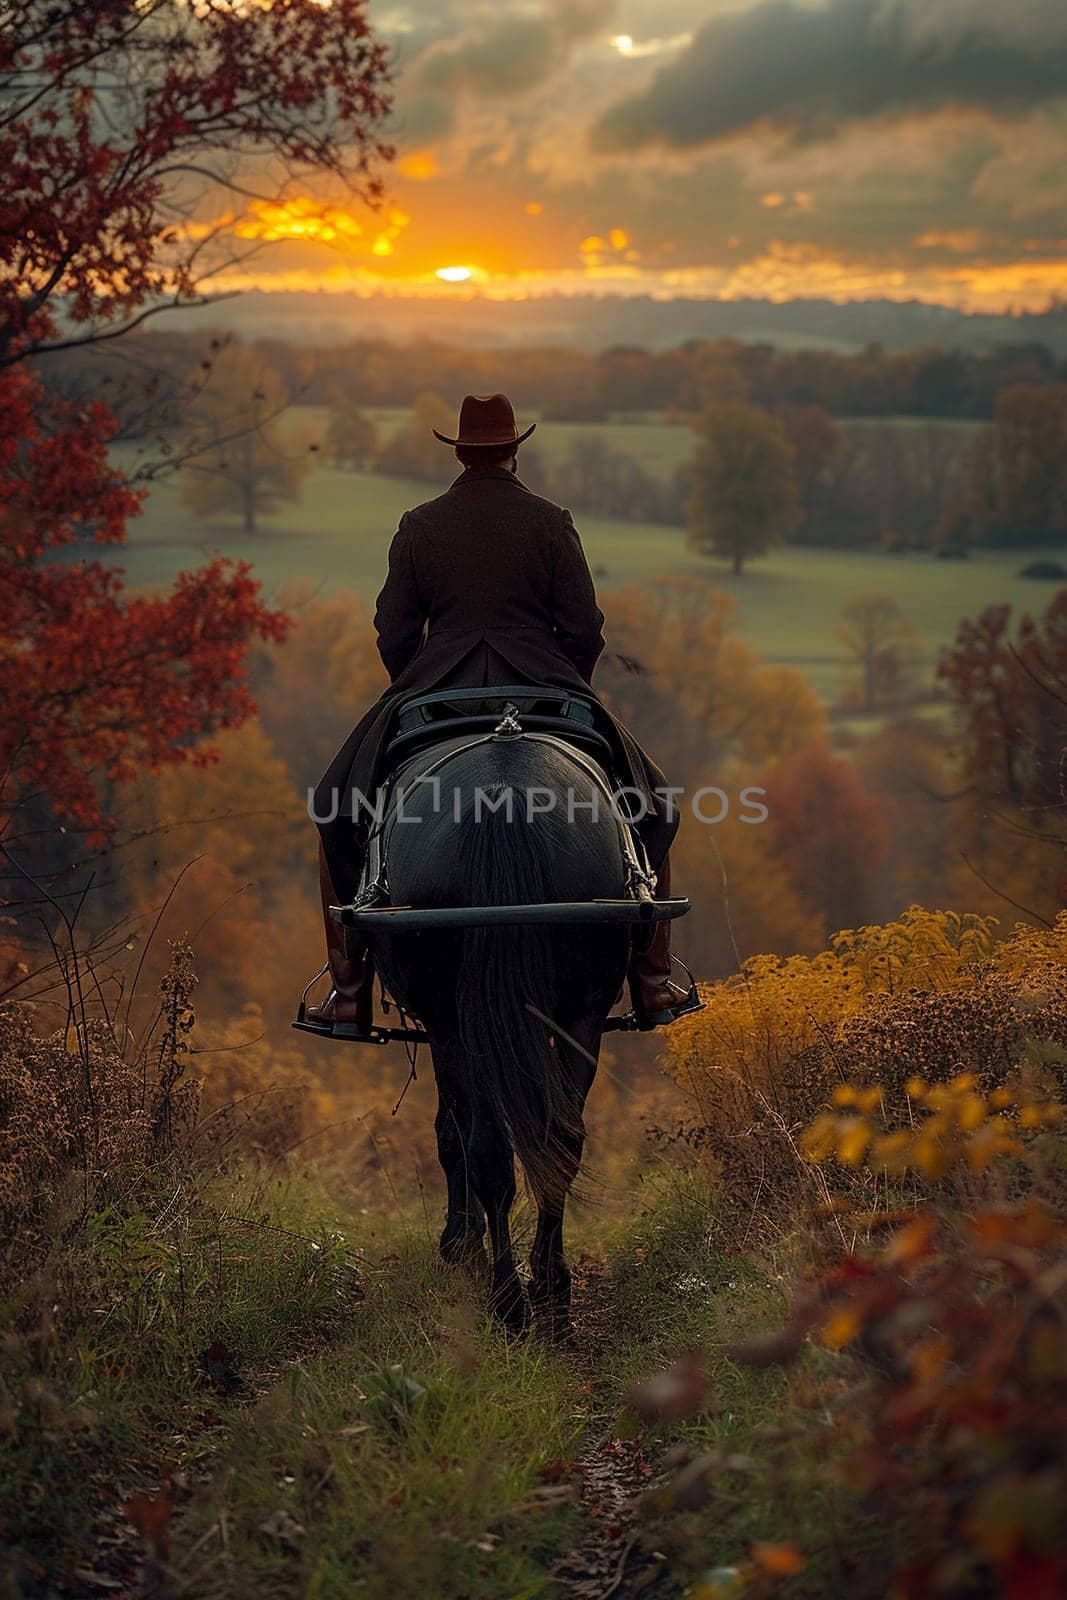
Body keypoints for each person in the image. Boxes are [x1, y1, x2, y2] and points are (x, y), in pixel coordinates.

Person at [304, 393, 699, 1036]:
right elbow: (583, 629)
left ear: (459, 453)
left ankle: (348, 990)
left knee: (334, 807)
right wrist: (568, 684)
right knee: (655, 805)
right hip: (547, 683)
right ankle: (652, 980)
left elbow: (394, 632)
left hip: (434, 687)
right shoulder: (551, 521)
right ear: (515, 450)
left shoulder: (419, 524)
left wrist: (414, 684)